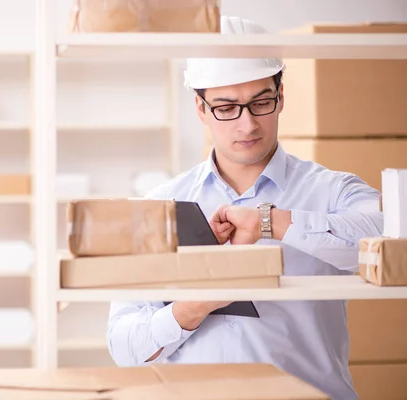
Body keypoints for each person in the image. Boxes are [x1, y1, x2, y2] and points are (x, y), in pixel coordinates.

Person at [106, 15, 383, 400]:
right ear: (201, 109)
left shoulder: (333, 190)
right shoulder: (159, 206)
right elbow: (124, 348)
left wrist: (273, 222)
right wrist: (189, 310)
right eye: (226, 108)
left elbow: (386, 241)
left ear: (281, 97)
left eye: (261, 102)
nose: (247, 124)